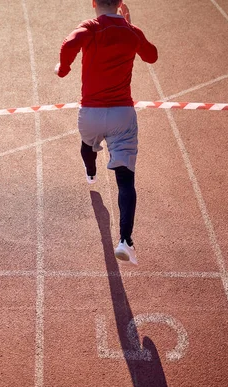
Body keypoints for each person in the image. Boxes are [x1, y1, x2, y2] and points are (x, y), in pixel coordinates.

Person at [55, 0, 158, 264]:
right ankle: (125, 241)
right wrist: (132, 25)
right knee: (125, 180)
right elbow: (152, 56)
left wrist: (63, 70)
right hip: (122, 115)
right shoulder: (131, 32)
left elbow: (68, 44)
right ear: (121, 3)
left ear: (93, 3)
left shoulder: (90, 27)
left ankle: (91, 174)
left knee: (87, 145)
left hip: (90, 113)